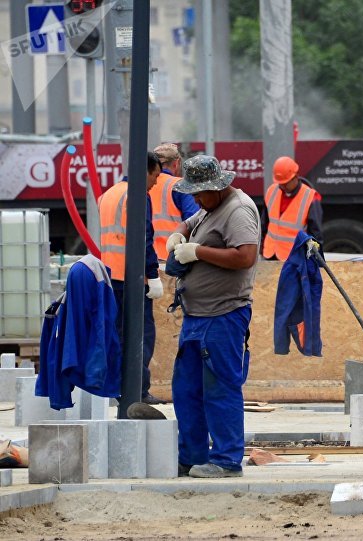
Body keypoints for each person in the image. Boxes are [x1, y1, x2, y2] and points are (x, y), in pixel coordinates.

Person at [167, 155, 261, 478]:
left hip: (224, 316)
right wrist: (179, 234)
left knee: (221, 388)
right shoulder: (211, 208)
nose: (194, 199)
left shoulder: (238, 211)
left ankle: (226, 460)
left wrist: (197, 252)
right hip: (197, 317)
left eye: (199, 193)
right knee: (187, 389)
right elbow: (191, 221)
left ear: (217, 187)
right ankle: (192, 456)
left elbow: (245, 256)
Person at [97, 151, 164, 405]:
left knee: (118, 335)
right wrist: (152, 274)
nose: (156, 182)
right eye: (155, 176)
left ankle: (119, 388)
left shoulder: (110, 194)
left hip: (110, 276)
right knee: (141, 335)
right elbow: (142, 238)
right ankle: (138, 391)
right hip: (132, 279)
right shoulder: (137, 196)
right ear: (144, 171)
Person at [262, 156, 323, 261]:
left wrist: (314, 260)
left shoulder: (310, 197)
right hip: (269, 254)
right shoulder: (272, 191)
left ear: (296, 177)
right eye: (280, 183)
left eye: (286, 183)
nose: (283, 187)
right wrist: (261, 247)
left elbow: (315, 234)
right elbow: (264, 224)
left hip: (294, 258)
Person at [151, 143, 200, 260]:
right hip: (172, 261)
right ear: (177, 163)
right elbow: (195, 224)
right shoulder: (180, 186)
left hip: (145, 262)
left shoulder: (141, 185)